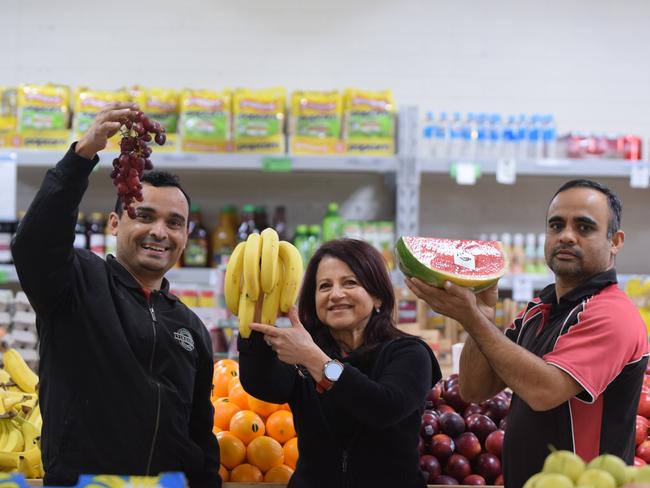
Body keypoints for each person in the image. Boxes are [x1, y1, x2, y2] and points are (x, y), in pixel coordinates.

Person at [11, 103, 220, 487]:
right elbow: (34, 245)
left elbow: (200, 433)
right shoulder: (75, 285)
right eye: (144, 216)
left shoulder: (190, 327)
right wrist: (82, 156)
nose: (160, 231)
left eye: (175, 223)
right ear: (114, 223)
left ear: (186, 236)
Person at [407, 179, 649, 487]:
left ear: (615, 241)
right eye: (556, 226)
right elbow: (475, 388)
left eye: (584, 228)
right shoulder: (538, 309)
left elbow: (545, 391)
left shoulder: (613, 313)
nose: (566, 237)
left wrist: (471, 317)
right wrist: (479, 317)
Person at [238, 238, 440, 488]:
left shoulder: (409, 353)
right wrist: (253, 327)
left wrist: (315, 359)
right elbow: (263, 384)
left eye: (350, 283)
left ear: (377, 296)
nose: (335, 294)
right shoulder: (305, 352)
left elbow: (382, 407)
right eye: (324, 286)